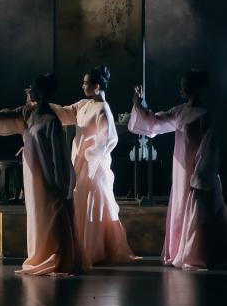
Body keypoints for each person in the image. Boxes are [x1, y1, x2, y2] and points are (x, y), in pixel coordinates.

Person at [0, 74, 83, 275]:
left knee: (50, 216)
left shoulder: (51, 120)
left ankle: (56, 257)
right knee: (37, 217)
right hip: (32, 175)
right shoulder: (27, 112)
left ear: (43, 92)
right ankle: (40, 254)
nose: (29, 91)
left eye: (33, 88)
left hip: (47, 177)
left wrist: (61, 184)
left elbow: (59, 157)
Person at [129, 70, 227, 270]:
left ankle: (195, 253)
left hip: (196, 172)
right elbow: (155, 122)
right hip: (181, 169)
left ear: (194, 88)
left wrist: (199, 176)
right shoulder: (179, 111)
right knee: (181, 206)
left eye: (184, 85)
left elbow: (208, 150)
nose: (181, 89)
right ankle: (180, 250)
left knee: (197, 212)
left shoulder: (205, 115)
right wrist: (140, 104)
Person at [53, 65, 137, 266]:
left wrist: (91, 154)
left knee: (93, 202)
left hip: (93, 165)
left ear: (97, 86)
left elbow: (109, 138)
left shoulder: (103, 109)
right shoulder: (84, 104)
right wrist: (42, 106)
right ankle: (80, 245)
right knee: (81, 200)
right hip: (80, 160)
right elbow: (65, 112)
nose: (82, 86)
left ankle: (94, 248)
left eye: (86, 83)